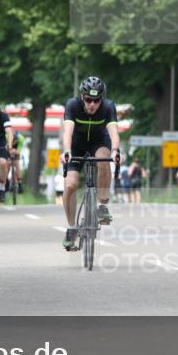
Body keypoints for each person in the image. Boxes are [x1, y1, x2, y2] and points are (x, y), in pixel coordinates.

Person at [60, 76, 121, 249]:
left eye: (96, 100)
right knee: (70, 185)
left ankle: (102, 205)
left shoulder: (108, 107)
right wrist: (66, 150)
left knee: (104, 157)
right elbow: (68, 131)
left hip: (99, 143)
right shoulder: (72, 105)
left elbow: (114, 132)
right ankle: (71, 228)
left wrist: (116, 151)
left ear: (101, 98)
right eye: (88, 100)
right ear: (82, 96)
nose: (92, 104)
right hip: (76, 146)